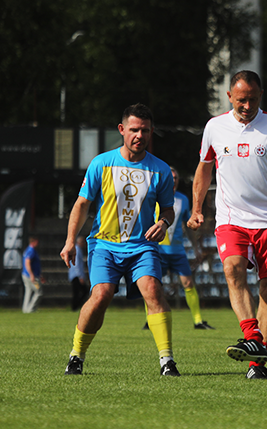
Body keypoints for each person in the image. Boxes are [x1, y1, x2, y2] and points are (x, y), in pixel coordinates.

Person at [188, 70, 267, 379]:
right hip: (231, 217)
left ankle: (257, 364)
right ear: (230, 96)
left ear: (261, 97)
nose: (247, 106)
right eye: (241, 100)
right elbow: (204, 169)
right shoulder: (214, 128)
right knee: (232, 267)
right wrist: (196, 208)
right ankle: (253, 337)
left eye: (253, 100)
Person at [60, 103, 180, 377]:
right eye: (135, 129)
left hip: (142, 247)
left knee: (152, 290)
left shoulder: (160, 170)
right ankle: (76, 355)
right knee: (101, 295)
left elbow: (169, 208)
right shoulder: (101, 163)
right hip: (105, 245)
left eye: (146, 131)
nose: (140, 135)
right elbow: (82, 204)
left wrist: (163, 222)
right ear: (122, 130)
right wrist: (70, 241)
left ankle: (167, 360)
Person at [142, 166, 215, 331]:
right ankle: (150, 319)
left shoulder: (183, 199)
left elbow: (187, 225)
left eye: (175, 178)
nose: (173, 180)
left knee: (188, 282)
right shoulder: (154, 196)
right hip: (157, 249)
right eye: (170, 177)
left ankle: (198, 321)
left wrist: (196, 247)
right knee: (152, 285)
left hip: (177, 251)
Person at [21, 235, 44, 313]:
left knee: (29, 291)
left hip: (27, 275)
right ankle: (31, 309)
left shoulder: (28, 250)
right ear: (34, 242)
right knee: (39, 292)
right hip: (30, 276)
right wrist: (31, 274)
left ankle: (25, 309)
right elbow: (27, 262)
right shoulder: (31, 250)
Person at [68, 235, 89, 311]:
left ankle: (75, 306)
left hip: (74, 274)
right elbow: (76, 264)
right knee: (82, 291)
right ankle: (75, 306)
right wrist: (80, 276)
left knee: (77, 292)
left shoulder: (77, 249)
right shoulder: (77, 249)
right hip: (76, 275)